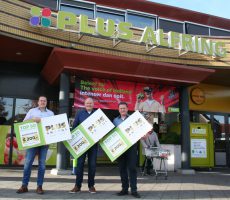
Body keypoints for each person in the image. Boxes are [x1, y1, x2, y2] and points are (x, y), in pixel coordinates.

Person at [17, 96, 54, 195]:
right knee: (28, 163)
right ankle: (24, 186)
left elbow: (53, 128)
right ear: (38, 102)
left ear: (46, 102)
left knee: (42, 165)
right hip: (32, 141)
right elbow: (23, 124)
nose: (42, 102)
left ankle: (39, 186)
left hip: (45, 143)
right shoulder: (32, 111)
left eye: (44, 101)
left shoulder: (51, 113)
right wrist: (32, 119)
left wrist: (50, 139)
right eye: (41, 100)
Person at [69, 97, 97, 194]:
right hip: (81, 144)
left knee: (92, 166)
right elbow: (74, 127)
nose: (89, 105)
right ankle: (77, 186)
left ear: (93, 104)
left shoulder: (97, 114)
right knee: (79, 165)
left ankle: (91, 186)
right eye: (87, 103)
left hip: (93, 144)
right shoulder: (79, 113)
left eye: (90, 103)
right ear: (84, 104)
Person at [113, 102, 141, 198]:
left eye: (124, 108)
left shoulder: (133, 119)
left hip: (131, 147)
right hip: (120, 148)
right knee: (122, 169)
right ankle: (124, 189)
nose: (122, 110)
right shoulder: (115, 120)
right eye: (121, 108)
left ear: (127, 109)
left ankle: (134, 190)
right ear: (118, 110)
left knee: (132, 168)